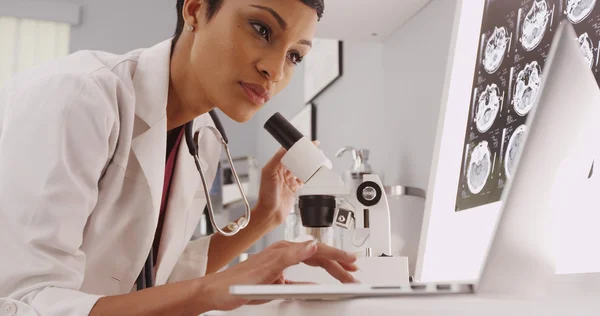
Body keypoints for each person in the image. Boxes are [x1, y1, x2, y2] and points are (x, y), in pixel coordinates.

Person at [0, 0, 359, 315]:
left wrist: (267, 216)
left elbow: (153, 280)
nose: (276, 71)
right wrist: (215, 290)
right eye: (262, 29)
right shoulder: (81, 97)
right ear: (195, 8)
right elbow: (25, 303)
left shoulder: (203, 139)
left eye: (295, 55)